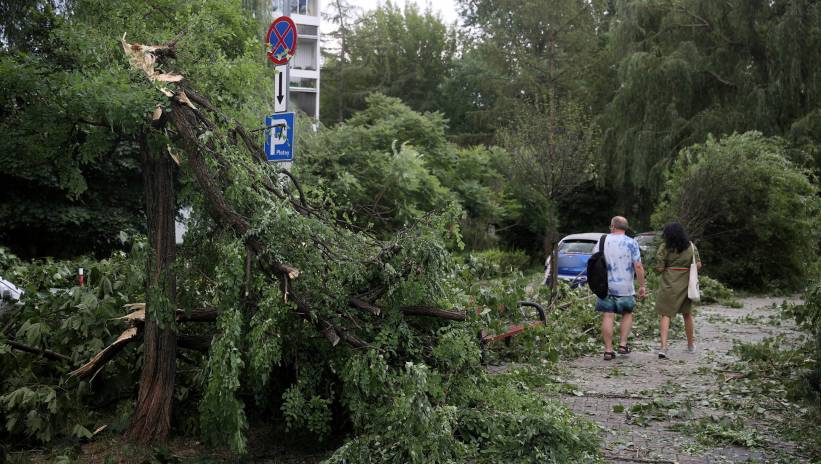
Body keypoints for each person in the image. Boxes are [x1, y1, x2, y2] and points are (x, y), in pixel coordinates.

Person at [594, 216, 646, 361]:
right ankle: (623, 345)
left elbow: (593, 261)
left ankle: (608, 350)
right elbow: (638, 266)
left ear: (612, 226)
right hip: (625, 287)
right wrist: (642, 285)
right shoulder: (631, 243)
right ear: (626, 228)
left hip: (606, 286)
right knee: (627, 313)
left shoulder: (602, 241)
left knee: (608, 315)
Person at [654, 222, 701, 359]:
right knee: (687, 314)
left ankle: (663, 347)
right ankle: (690, 345)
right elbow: (698, 265)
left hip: (669, 284)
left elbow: (660, 268)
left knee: (665, 314)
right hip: (686, 285)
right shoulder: (691, 246)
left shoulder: (664, 247)